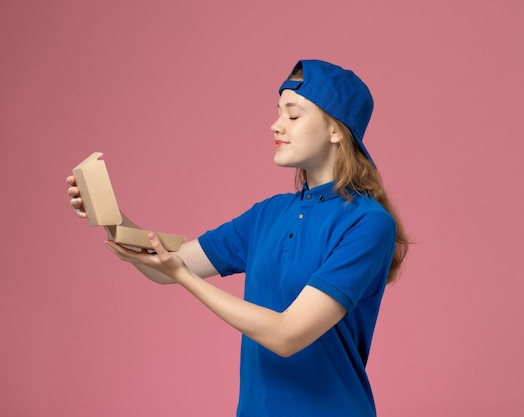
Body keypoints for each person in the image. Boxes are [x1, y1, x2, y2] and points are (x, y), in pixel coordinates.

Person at [67, 59, 409, 417]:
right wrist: (107, 215)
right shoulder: (268, 213)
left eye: (293, 116)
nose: (276, 125)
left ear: (336, 131)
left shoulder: (369, 224)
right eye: (278, 113)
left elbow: (287, 335)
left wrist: (181, 276)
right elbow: (163, 265)